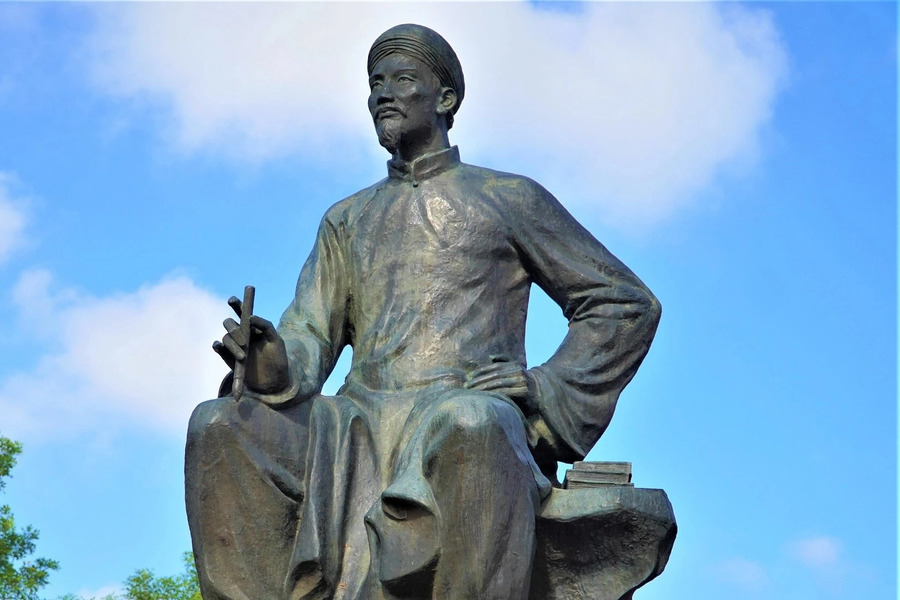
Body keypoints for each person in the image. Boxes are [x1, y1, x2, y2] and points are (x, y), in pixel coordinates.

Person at [185, 23, 661, 600]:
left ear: (446, 98)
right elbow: (309, 333)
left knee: (474, 421)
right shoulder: (347, 219)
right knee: (215, 426)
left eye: (402, 79)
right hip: (354, 431)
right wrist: (271, 362)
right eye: (374, 83)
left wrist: (544, 388)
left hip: (461, 412)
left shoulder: (507, 198)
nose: (383, 93)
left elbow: (622, 303)